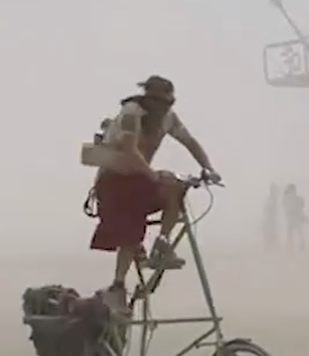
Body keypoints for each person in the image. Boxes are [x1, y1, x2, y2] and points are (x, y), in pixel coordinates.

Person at [89, 75, 220, 313]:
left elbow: (189, 141)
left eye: (169, 104)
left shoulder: (168, 119)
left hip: (138, 178)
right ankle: (118, 285)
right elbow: (129, 149)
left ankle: (163, 243)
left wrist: (208, 168)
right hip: (114, 181)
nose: (165, 109)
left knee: (176, 188)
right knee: (132, 225)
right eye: (161, 103)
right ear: (150, 100)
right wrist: (152, 175)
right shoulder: (132, 113)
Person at [282, 184, 308, 250]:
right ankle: (295, 245)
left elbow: (300, 207)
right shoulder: (293, 198)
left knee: (293, 233)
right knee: (296, 232)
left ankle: (292, 246)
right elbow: (300, 207)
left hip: (294, 218)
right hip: (293, 218)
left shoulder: (291, 198)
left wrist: (303, 216)